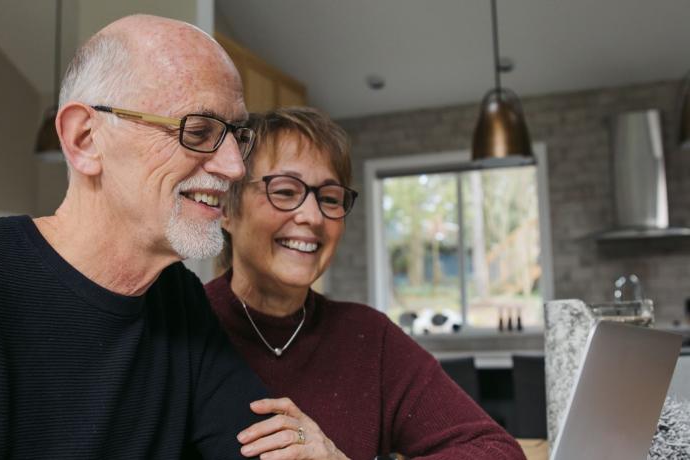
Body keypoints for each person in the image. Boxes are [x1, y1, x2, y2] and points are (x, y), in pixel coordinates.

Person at [0, 15, 269, 459]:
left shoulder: (179, 299)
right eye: (199, 131)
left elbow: (265, 447)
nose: (234, 167)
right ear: (85, 139)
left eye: (237, 136)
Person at [206, 107, 527, 459]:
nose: (313, 217)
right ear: (226, 208)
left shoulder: (368, 336)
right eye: (284, 191)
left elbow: (497, 451)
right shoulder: (185, 326)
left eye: (329, 198)